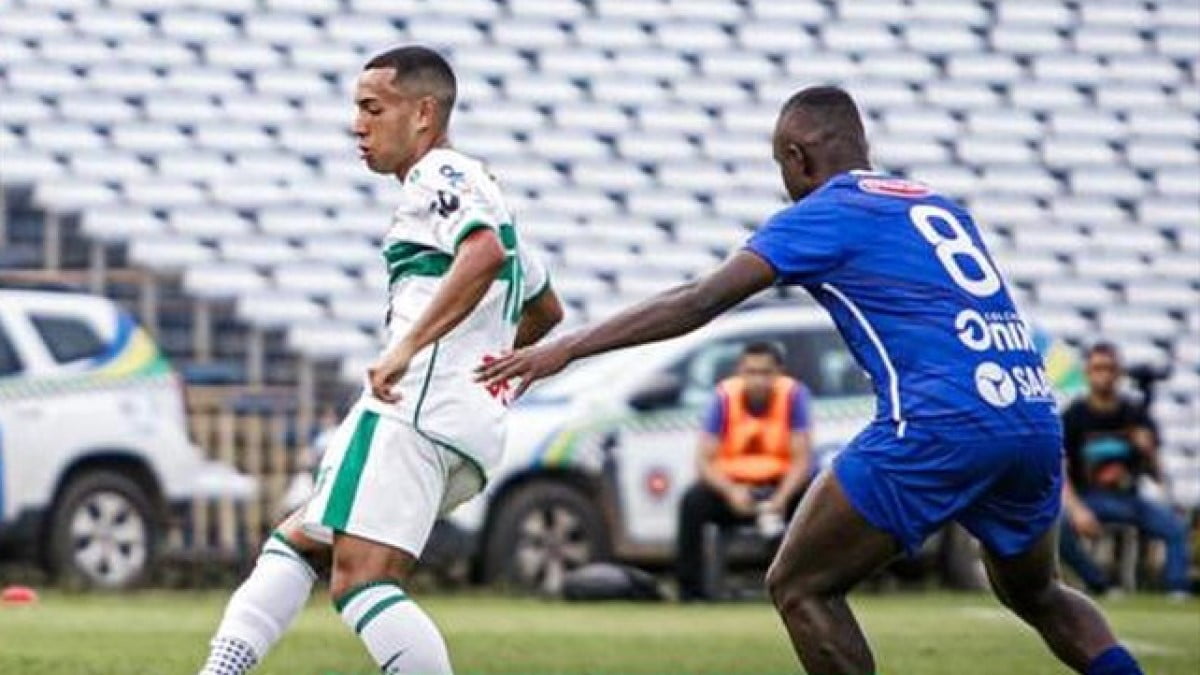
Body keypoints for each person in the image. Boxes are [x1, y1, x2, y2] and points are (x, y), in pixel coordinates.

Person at [478, 86, 1144, 675]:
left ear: (798, 158)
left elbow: (700, 298)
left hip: (942, 421)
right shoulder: (933, 202)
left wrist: (564, 349)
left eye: (781, 166)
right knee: (1039, 592)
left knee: (799, 583)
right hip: (1030, 414)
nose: (784, 182)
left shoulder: (829, 210)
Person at [198, 46, 563, 675]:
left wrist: (407, 348)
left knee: (361, 580)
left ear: (424, 113)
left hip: (411, 411)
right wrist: (490, 378)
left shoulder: (440, 176)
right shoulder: (492, 200)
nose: (356, 125)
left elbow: (482, 256)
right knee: (302, 536)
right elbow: (545, 309)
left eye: (373, 108)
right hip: (464, 426)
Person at [677, 341, 812, 601]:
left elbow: (802, 460)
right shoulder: (724, 397)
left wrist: (780, 500)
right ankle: (691, 592)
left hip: (781, 488)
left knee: (813, 501)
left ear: (778, 373)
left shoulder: (793, 396)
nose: (758, 380)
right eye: (751, 372)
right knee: (692, 502)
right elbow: (704, 460)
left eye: (765, 372)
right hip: (735, 490)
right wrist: (731, 492)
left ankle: (804, 588)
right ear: (739, 371)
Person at [1059, 343, 1191, 598]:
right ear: (1087, 372)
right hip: (1089, 497)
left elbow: (1155, 474)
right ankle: (1100, 584)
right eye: (1098, 368)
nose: (1104, 375)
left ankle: (1177, 590)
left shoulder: (1135, 413)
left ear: (1119, 373)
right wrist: (1076, 509)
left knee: (1175, 527)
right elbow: (1060, 470)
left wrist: (1148, 450)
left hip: (1129, 498)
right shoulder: (1074, 416)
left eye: (1110, 368)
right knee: (1058, 528)